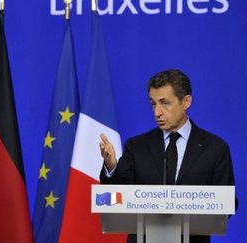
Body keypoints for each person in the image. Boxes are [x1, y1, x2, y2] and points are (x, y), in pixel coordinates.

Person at [99, 69, 236, 243]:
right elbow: (118, 196)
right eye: (153, 103)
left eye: (165, 103)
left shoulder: (215, 148)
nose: (157, 112)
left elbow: (228, 204)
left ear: (186, 102)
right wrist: (111, 166)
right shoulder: (136, 146)